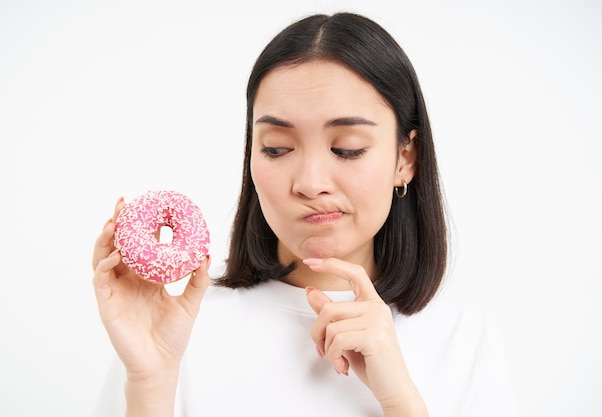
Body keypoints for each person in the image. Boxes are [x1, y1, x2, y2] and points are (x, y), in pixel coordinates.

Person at [91, 12, 518, 417]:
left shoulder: (466, 344)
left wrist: (400, 401)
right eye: (276, 148)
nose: (310, 182)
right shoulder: (178, 333)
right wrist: (151, 380)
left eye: (346, 148)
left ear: (405, 158)